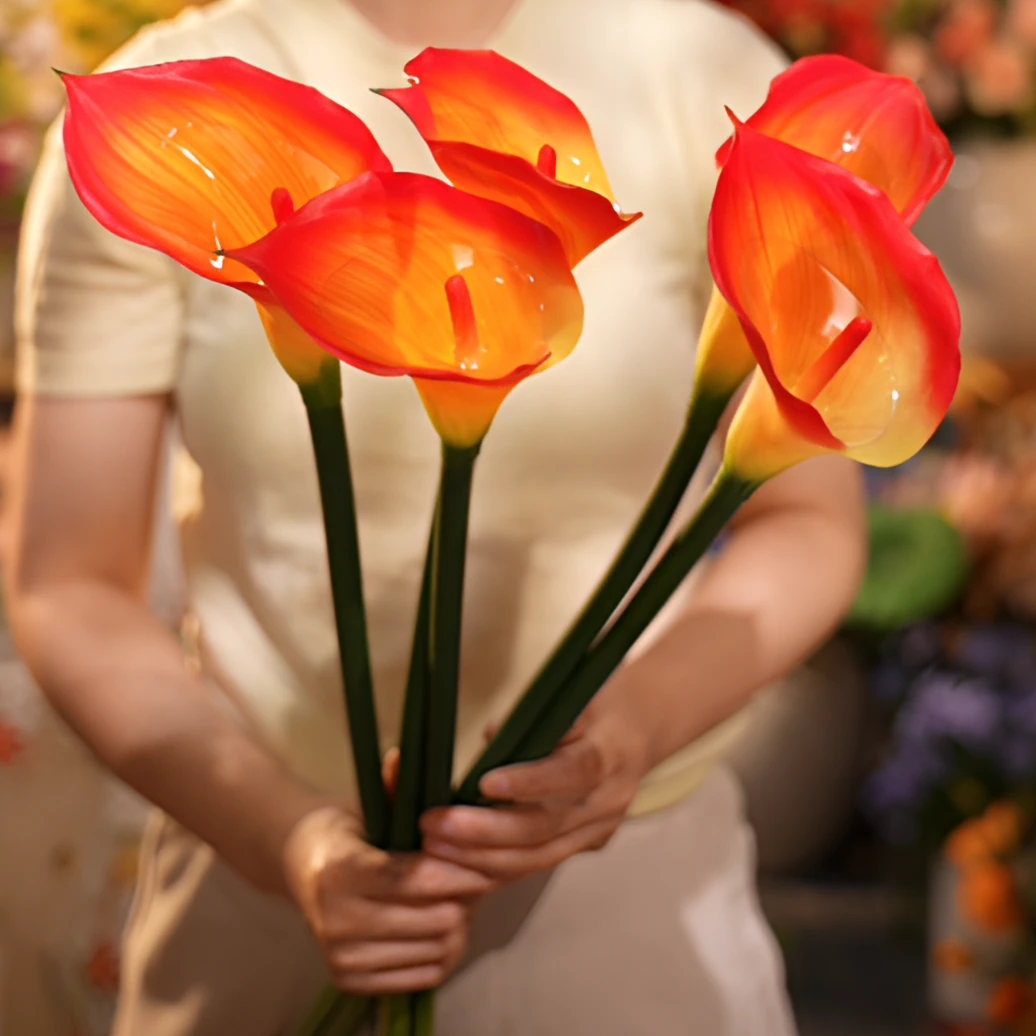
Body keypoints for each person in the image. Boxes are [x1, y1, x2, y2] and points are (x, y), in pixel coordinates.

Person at [7, 0, 866, 1032]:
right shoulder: (171, 99)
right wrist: (291, 840)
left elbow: (807, 520)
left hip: (631, 894)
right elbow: (70, 585)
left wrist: (635, 723)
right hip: (261, 883)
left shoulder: (694, 71)